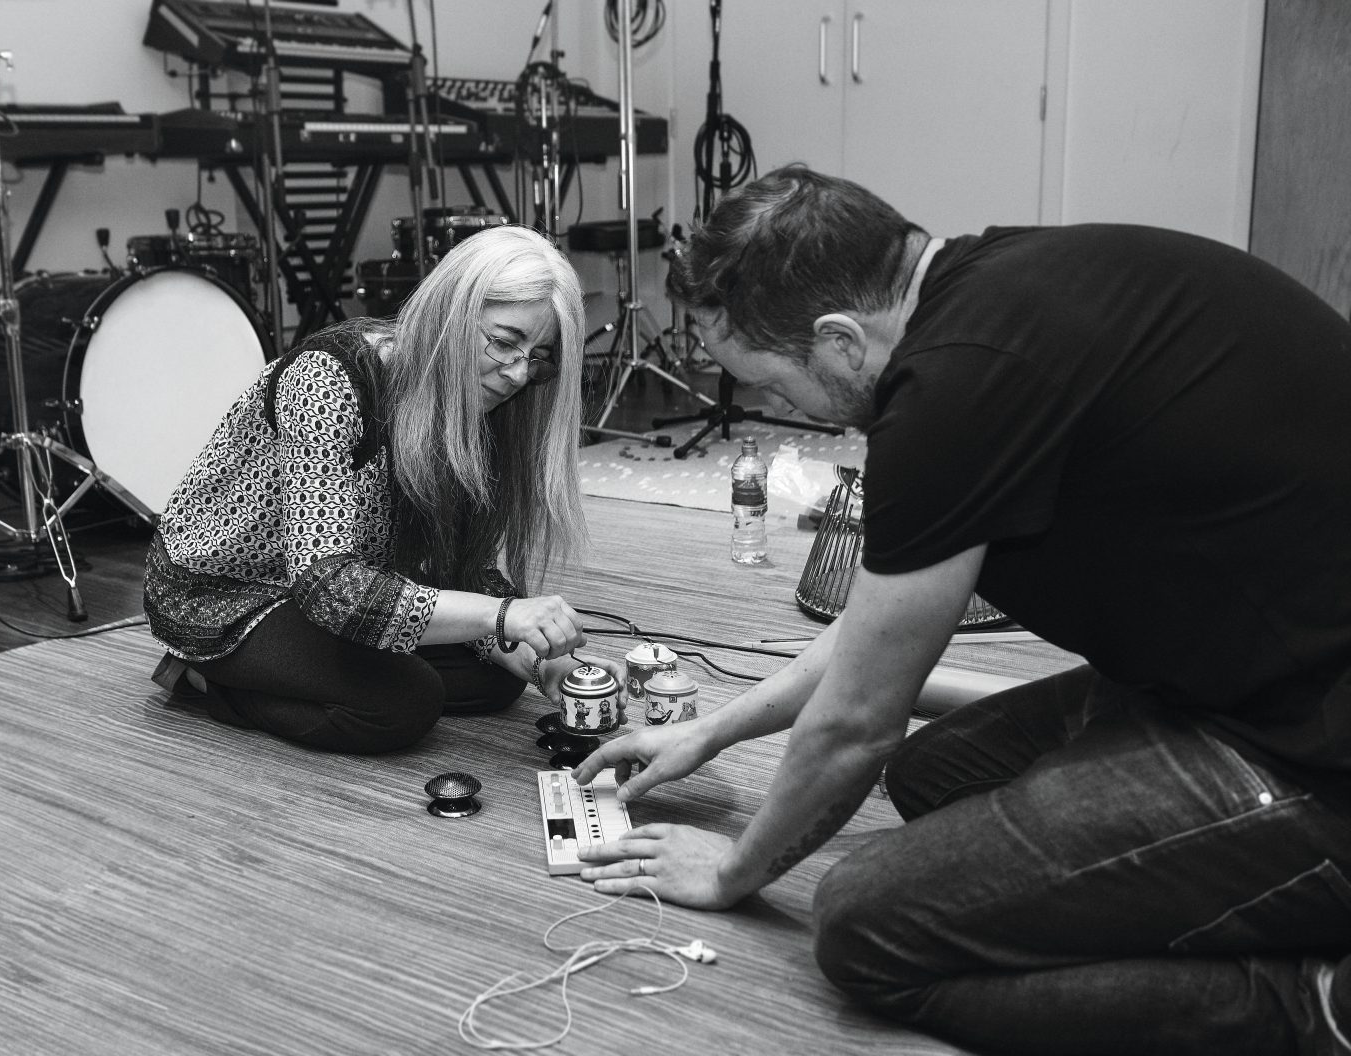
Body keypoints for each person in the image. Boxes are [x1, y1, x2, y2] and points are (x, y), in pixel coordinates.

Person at [570, 164, 1351, 1056]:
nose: (775, 410)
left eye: (776, 388)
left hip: (1313, 751)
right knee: (934, 775)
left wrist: (736, 869)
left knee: (865, 927)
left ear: (840, 340)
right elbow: (877, 631)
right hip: (1236, 674)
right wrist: (710, 731)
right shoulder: (997, 289)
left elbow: (858, 723)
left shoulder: (954, 394)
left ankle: (1312, 1001)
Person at [145, 224, 621, 754]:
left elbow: (462, 567)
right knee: (403, 702)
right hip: (227, 595)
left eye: (537, 358)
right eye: (506, 342)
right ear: (451, 313)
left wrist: (542, 661)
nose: (516, 374)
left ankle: (313, 669)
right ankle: (204, 677)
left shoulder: (478, 397)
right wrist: (504, 615)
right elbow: (329, 587)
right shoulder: (329, 377)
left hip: (342, 588)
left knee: (498, 679)